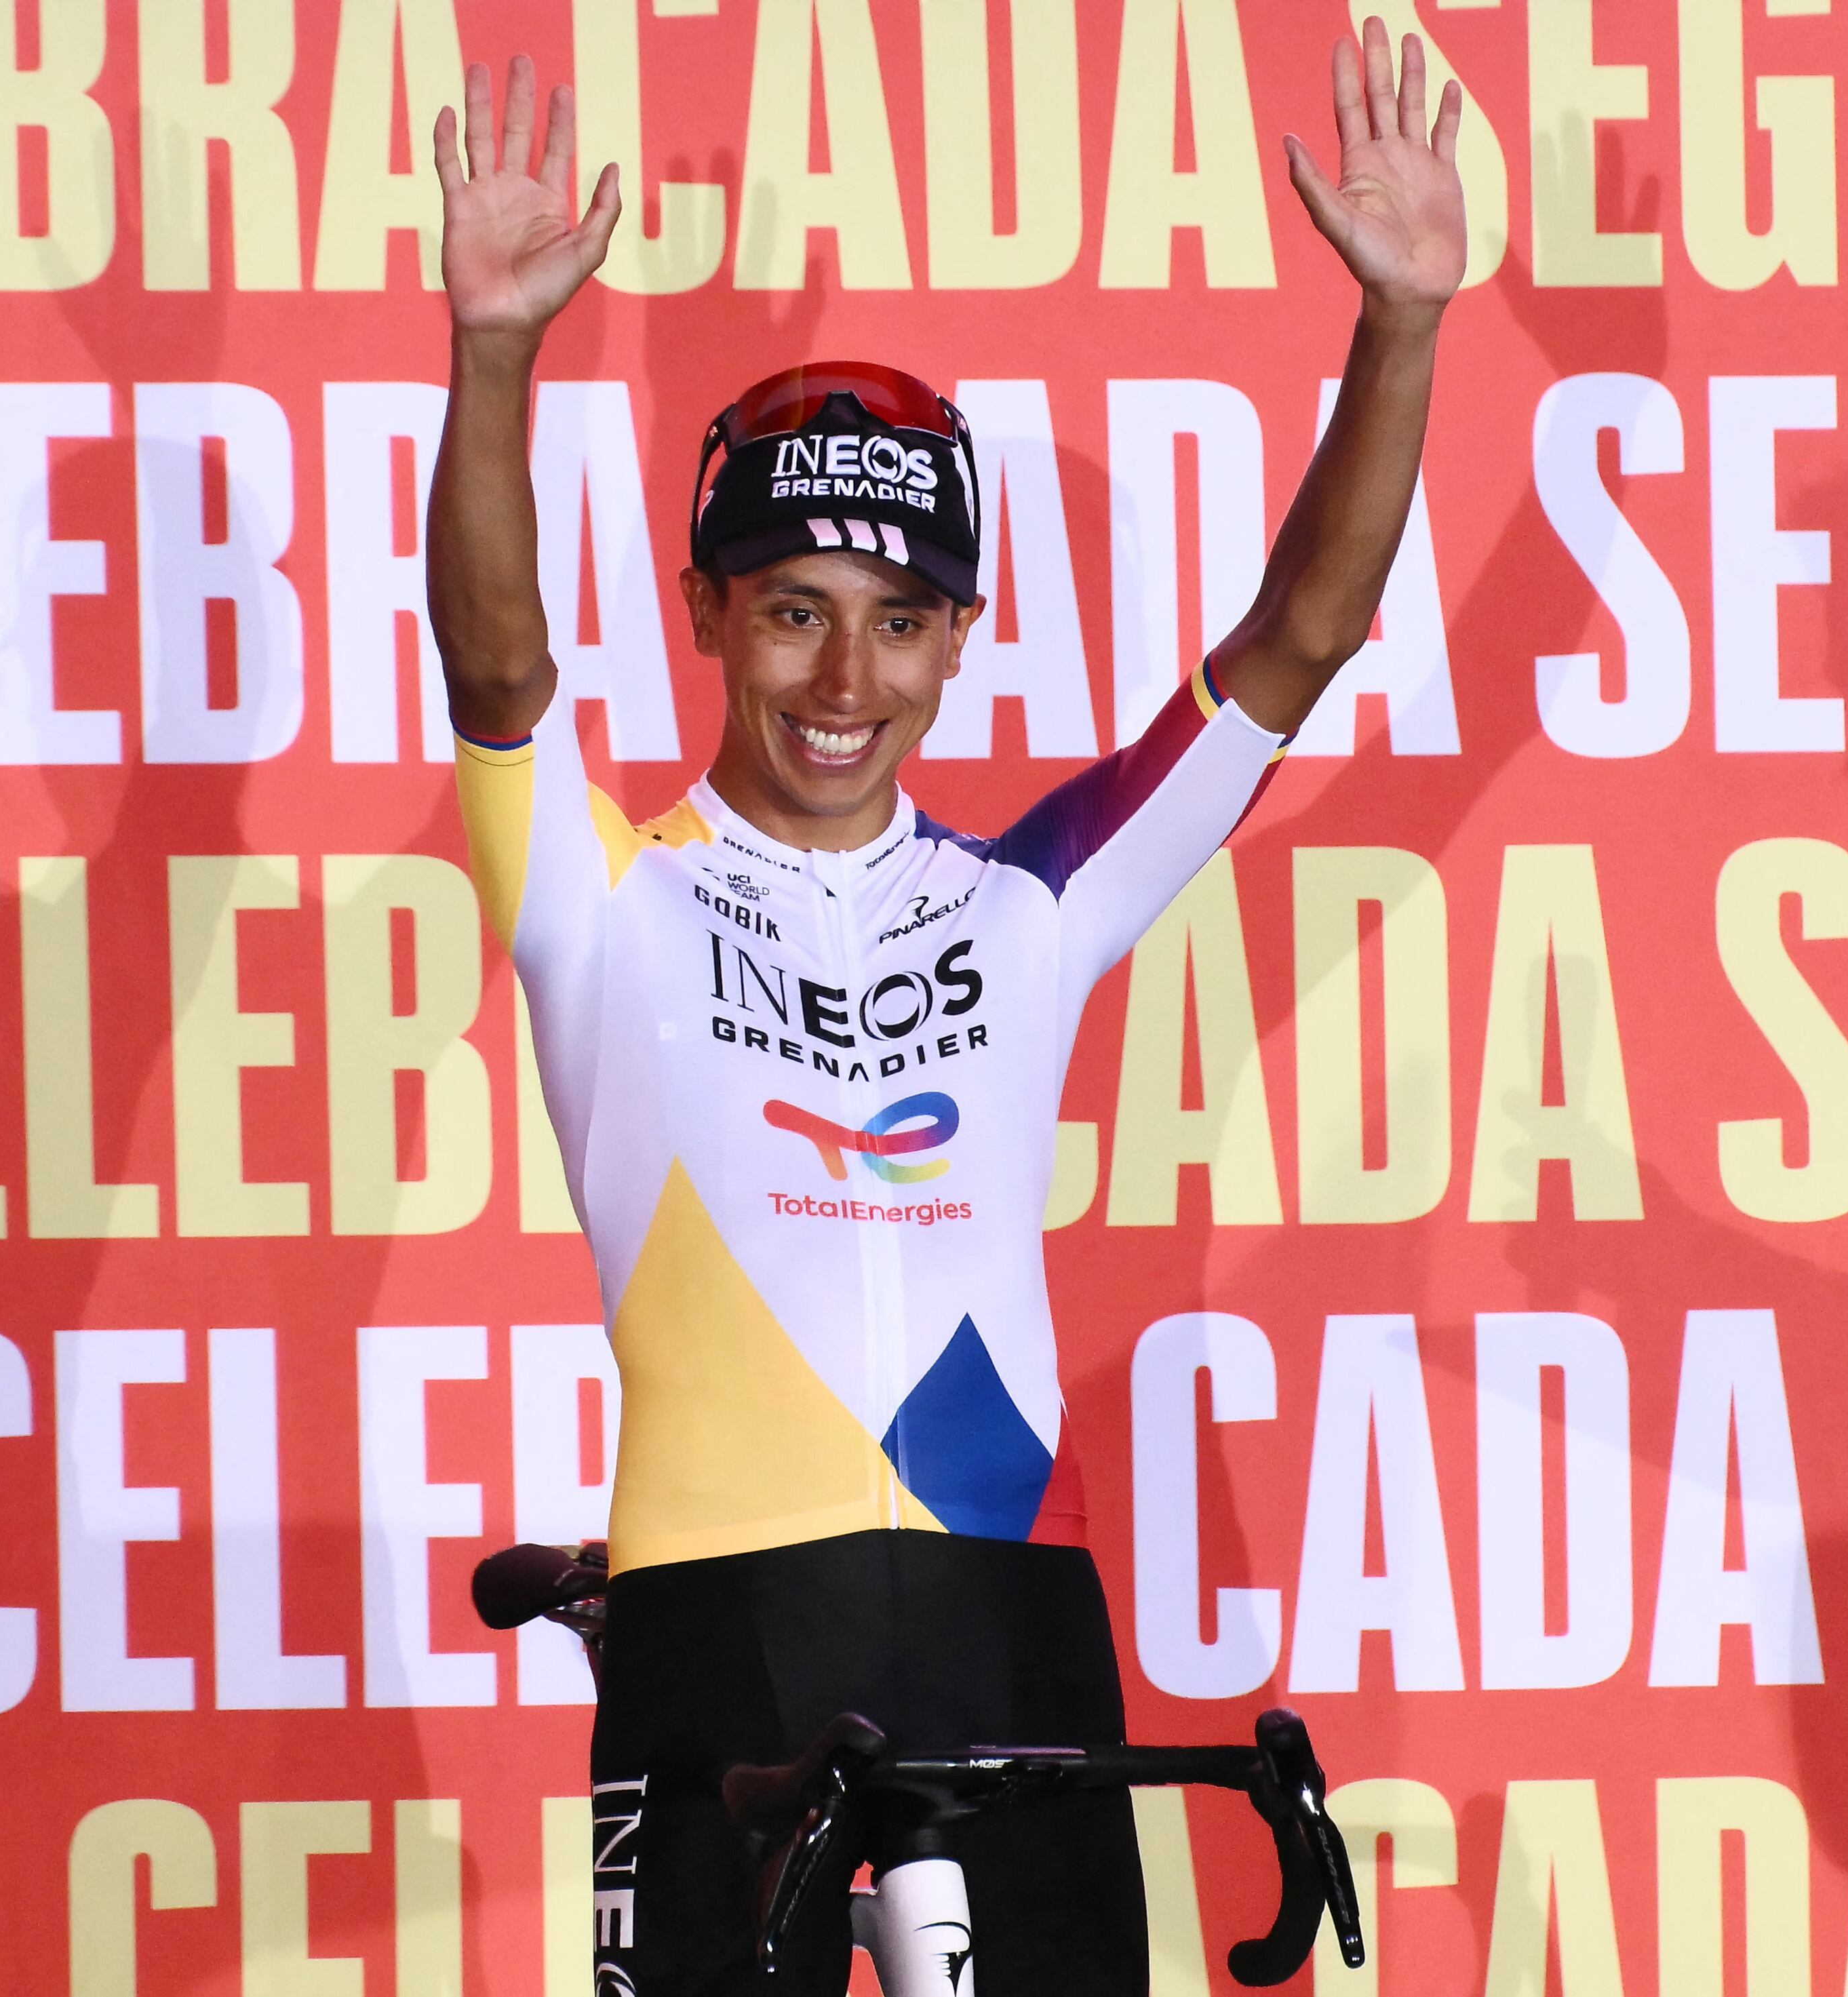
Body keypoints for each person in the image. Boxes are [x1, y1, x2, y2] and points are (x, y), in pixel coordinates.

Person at [426, 22, 1463, 1993]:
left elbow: (1295, 645)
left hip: (1009, 1620)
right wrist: (494, 361)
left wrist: (1402, 328)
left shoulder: (1030, 900)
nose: (846, 672)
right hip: (728, 1629)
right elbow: (495, 660)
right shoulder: (604, 896)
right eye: (794, 605)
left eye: (900, 618)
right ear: (707, 609)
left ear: (960, 638)